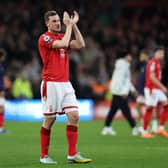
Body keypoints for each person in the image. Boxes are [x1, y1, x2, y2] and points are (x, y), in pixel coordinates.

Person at [38, 10, 92, 164]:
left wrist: (73, 25)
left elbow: (81, 44)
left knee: (74, 116)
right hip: (51, 83)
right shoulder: (44, 38)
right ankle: (44, 156)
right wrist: (68, 27)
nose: (57, 23)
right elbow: (61, 44)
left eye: (58, 20)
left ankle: (72, 154)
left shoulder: (63, 35)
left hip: (65, 83)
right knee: (50, 119)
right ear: (47, 23)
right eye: (54, 21)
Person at [101, 52, 139, 136]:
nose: (131, 58)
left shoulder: (123, 65)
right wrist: (123, 92)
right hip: (119, 92)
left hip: (117, 91)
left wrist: (132, 90)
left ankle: (106, 127)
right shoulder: (123, 66)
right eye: (129, 56)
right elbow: (121, 80)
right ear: (126, 56)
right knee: (126, 111)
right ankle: (134, 127)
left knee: (113, 111)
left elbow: (126, 81)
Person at [141, 46, 168, 138]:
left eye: (163, 53)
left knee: (166, 104)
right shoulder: (153, 62)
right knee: (149, 109)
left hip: (157, 89)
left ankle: (160, 128)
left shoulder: (158, 63)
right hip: (151, 89)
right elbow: (152, 77)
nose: (162, 55)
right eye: (160, 53)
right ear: (155, 53)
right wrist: (162, 87)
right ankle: (144, 131)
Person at [136, 51, 149, 132]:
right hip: (141, 90)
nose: (140, 57)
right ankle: (144, 124)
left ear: (145, 56)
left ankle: (152, 126)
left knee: (150, 108)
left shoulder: (148, 65)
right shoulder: (143, 66)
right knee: (138, 106)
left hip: (146, 90)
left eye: (141, 56)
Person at [0, 49, 8, 134]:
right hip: (0, 90)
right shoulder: (0, 67)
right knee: (1, 109)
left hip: (1, 89)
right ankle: (1, 128)